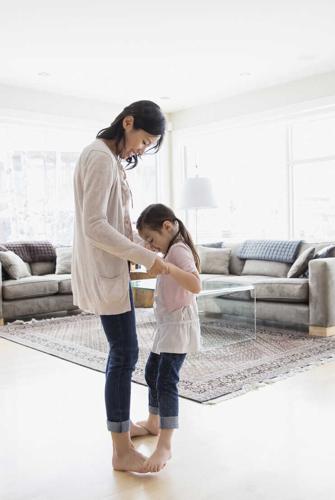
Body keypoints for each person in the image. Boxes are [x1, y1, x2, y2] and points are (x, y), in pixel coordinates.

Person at [72, 101, 169, 474]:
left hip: (114, 270)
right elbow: (94, 225)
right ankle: (121, 450)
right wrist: (143, 258)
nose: (141, 149)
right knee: (124, 353)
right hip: (104, 271)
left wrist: (141, 247)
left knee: (123, 352)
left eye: (148, 145)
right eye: (143, 140)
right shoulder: (98, 157)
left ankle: (122, 430)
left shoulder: (108, 159)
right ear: (127, 122)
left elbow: (115, 220)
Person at [135, 203, 202, 473]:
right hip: (168, 324)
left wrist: (168, 268)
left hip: (179, 324)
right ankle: (153, 421)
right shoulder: (171, 250)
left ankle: (165, 443)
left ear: (167, 226)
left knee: (166, 379)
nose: (151, 246)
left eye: (151, 239)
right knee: (152, 371)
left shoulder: (179, 249)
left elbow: (196, 284)